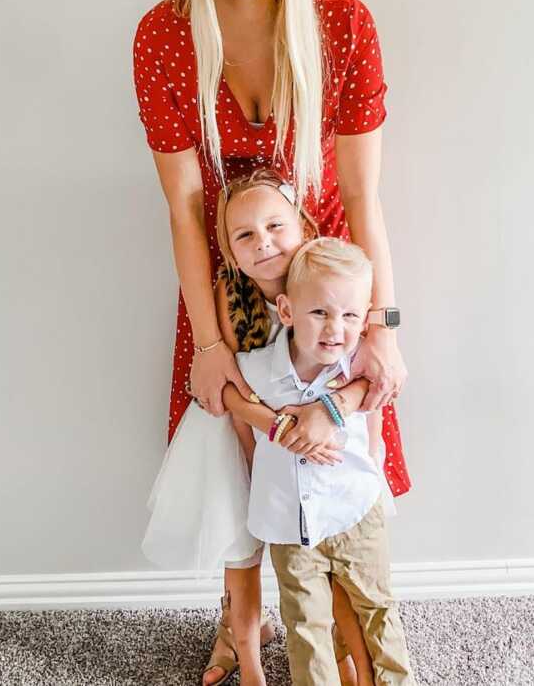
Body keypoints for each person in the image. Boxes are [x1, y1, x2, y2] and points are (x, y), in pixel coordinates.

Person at [133, 0, 412, 685]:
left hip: (328, 293)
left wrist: (380, 327)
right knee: (235, 450)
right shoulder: (165, 34)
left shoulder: (343, 23)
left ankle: (352, 630)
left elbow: (362, 197)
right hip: (225, 285)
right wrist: (213, 343)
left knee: (334, 451)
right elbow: (186, 208)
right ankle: (241, 625)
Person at [143, 170, 383, 684]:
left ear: (301, 225)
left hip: (315, 439)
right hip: (241, 436)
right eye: (244, 235)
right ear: (228, 251)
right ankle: (248, 658)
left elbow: (366, 373)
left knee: (329, 548)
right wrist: (276, 430)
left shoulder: (328, 281)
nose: (263, 243)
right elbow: (232, 392)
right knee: (241, 546)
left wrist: (325, 420)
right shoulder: (234, 298)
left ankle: (346, 656)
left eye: (275, 226)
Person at [237, 238, 417, 686]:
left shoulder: (361, 367)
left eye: (351, 316)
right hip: (289, 526)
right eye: (320, 312)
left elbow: (390, 387)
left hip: (355, 511)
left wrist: (338, 408)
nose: (335, 328)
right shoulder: (258, 368)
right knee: (305, 627)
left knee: (377, 607)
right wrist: (273, 425)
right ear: (286, 310)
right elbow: (219, 392)